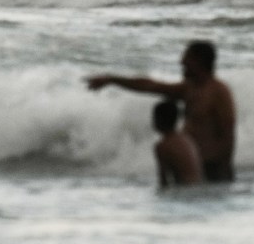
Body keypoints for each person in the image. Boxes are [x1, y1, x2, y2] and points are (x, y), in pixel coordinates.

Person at [87, 40, 236, 182]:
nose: (182, 62)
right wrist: (112, 80)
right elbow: (150, 86)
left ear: (199, 61)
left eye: (187, 58)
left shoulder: (219, 92)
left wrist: (217, 172)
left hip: (213, 172)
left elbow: (228, 140)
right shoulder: (189, 89)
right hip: (191, 168)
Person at [152, 100, 203, 187]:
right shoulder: (186, 139)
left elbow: (163, 181)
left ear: (159, 120)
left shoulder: (163, 146)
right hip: (199, 186)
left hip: (184, 190)